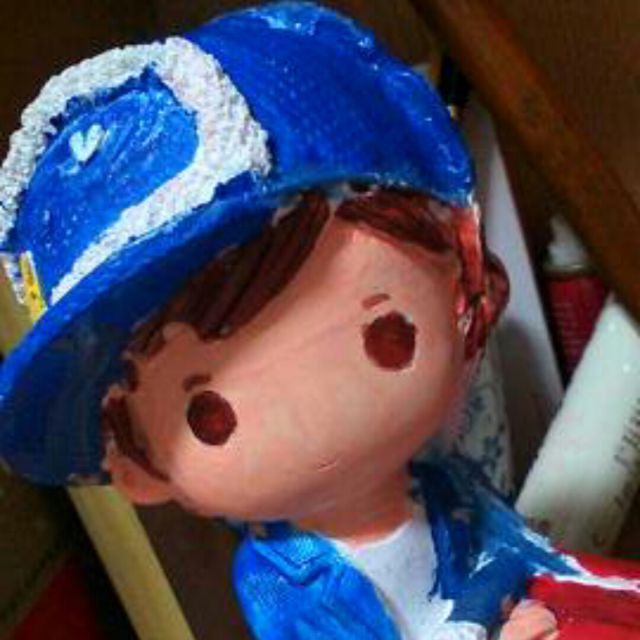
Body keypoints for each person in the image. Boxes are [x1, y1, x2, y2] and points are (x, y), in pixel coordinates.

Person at [0, 4, 637, 639]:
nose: (313, 404)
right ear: (135, 463)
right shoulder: (286, 582)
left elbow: (515, 554)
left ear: (461, 266)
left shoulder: (441, 482)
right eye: (211, 414)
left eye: (386, 336)